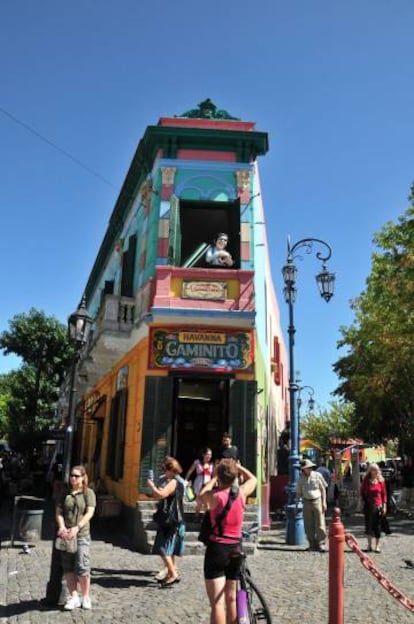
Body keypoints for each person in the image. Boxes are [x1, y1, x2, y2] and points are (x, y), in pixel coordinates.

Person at [198, 459, 257, 624]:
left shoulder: (214, 497)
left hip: (218, 548)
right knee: (231, 597)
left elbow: (201, 494)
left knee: (217, 603)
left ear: (220, 476)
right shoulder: (242, 494)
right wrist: (239, 468)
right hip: (236, 547)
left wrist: (213, 477)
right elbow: (254, 479)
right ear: (235, 476)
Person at [56, 464, 96, 610]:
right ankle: (74, 596)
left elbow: (90, 512)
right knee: (68, 566)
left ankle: (86, 596)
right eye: (71, 475)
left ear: (83, 477)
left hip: (81, 534)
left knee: (82, 565)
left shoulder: (88, 493)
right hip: (66, 535)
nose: (73, 478)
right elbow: (59, 511)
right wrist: (61, 526)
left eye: (76, 476)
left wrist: (77, 527)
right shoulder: (65, 492)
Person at [147, 457, 186, 587]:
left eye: (165, 469)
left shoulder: (174, 482)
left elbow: (161, 495)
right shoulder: (175, 481)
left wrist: (152, 485)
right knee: (170, 549)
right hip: (173, 520)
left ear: (171, 470)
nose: (164, 472)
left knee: (162, 548)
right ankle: (170, 573)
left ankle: (173, 574)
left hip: (170, 521)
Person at [295, 459, 328, 552]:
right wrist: (296, 506)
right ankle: (312, 544)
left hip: (317, 501)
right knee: (308, 525)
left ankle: (321, 544)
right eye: (306, 468)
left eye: (309, 467)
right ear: (303, 469)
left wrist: (324, 502)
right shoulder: (301, 478)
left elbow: (323, 489)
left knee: (320, 523)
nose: (308, 469)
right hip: (306, 502)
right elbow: (298, 493)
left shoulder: (317, 475)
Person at [360, 462, 387, 553]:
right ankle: (369, 545)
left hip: (378, 506)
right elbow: (362, 492)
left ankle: (377, 546)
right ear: (369, 471)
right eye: (372, 469)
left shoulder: (381, 481)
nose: (373, 471)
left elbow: (384, 494)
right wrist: (362, 502)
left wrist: (384, 506)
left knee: (377, 527)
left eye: (375, 469)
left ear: (378, 470)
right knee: (368, 526)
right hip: (368, 506)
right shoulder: (366, 481)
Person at [185, 447, 214, 518]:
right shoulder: (197, 462)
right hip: (199, 482)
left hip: (208, 484)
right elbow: (190, 471)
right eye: (207, 454)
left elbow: (213, 474)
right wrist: (186, 480)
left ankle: (206, 518)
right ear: (203, 454)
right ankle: (196, 516)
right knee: (199, 501)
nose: (209, 456)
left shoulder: (212, 464)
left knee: (207, 501)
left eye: (210, 454)